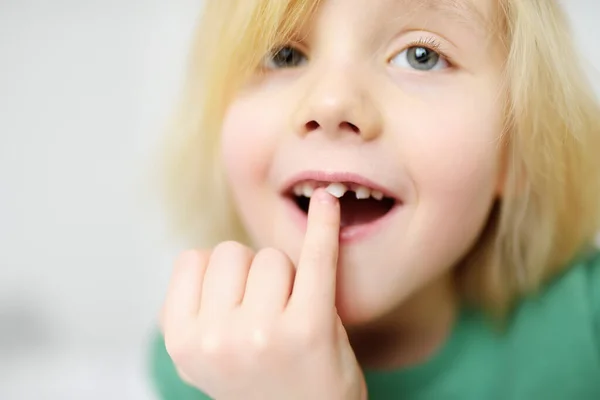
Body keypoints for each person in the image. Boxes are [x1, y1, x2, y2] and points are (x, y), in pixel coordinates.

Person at [149, 0, 600, 398]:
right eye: (283, 55)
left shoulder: (586, 327)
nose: (330, 103)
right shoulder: (200, 358)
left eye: (421, 57)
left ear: (519, 149)